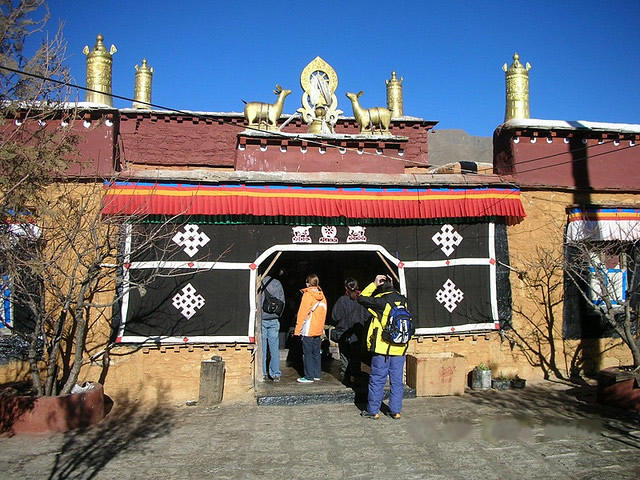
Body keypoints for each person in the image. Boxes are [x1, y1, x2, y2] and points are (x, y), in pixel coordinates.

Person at [357, 274, 410, 420]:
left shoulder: (381, 301)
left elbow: (361, 298)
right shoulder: (404, 300)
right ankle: (395, 411)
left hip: (383, 349)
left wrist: (373, 284)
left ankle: (373, 411)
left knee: (377, 379)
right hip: (400, 347)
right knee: (397, 381)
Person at [330, 277, 368, 386]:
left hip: (343, 333)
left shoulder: (341, 300)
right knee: (356, 356)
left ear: (346, 287)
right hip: (357, 333)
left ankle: (346, 378)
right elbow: (367, 316)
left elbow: (334, 317)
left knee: (344, 356)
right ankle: (356, 377)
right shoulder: (361, 300)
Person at [294, 273, 327, 383]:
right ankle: (317, 374)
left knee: (307, 353)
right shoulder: (322, 296)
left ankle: (309, 376)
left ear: (308, 283)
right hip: (317, 329)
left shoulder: (308, 295)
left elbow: (302, 313)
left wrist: (297, 330)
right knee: (316, 352)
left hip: (308, 328)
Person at [260, 271, 285, 382]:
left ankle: (263, 372)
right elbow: (282, 301)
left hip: (262, 319)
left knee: (263, 347)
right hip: (274, 319)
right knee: (274, 348)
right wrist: (278, 315)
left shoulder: (259, 283)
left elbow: (258, 303)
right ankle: (275, 373)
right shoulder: (277, 283)